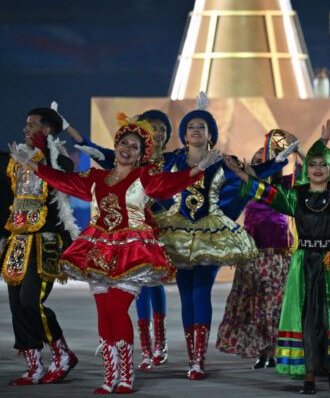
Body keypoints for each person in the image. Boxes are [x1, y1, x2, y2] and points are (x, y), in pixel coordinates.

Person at [11, 117, 218, 393]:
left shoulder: (144, 177)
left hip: (130, 252)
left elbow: (169, 183)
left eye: (134, 146)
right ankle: (109, 377)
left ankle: (125, 376)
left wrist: (197, 170)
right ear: (116, 146)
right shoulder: (96, 177)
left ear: (140, 155)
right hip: (98, 251)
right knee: (103, 314)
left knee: (116, 310)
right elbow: (65, 180)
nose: (127, 149)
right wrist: (34, 165)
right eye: (124, 143)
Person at [156, 106, 294, 380]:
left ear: (210, 134)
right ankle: (191, 356)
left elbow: (253, 170)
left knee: (201, 292)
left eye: (201, 126)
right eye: (191, 126)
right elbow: (150, 177)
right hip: (178, 233)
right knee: (185, 295)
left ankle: (199, 361)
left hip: (211, 236)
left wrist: (278, 162)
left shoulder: (222, 163)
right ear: (184, 134)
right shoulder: (172, 161)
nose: (196, 130)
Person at [228, 139, 330, 394]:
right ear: (306, 169)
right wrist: (241, 174)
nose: (316, 168)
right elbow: (268, 194)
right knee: (307, 320)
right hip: (305, 264)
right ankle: (309, 377)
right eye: (312, 163)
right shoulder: (295, 198)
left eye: (323, 164)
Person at [64, 106, 175, 369]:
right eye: (153, 127)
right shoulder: (125, 160)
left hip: (158, 228)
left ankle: (160, 344)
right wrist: (67, 126)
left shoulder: (172, 160)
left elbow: (180, 181)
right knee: (133, 294)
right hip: (123, 232)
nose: (157, 132)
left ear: (167, 135)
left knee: (153, 285)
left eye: (162, 129)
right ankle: (145, 350)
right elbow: (92, 148)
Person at [3, 107, 79, 386]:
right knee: (16, 304)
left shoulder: (59, 161)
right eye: (26, 125)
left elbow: (64, 173)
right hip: (18, 241)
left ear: (46, 130)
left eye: (32, 125)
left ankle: (62, 354)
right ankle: (33, 364)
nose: (25, 129)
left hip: (46, 242)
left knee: (30, 300)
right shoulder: (16, 159)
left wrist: (44, 151)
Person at [215, 130, 298, 370]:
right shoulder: (245, 187)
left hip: (279, 254)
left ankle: (273, 350)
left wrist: (295, 148)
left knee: (275, 305)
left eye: (267, 160)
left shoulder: (285, 184)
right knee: (256, 305)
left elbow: (307, 171)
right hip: (252, 254)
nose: (262, 164)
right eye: (257, 161)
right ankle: (263, 351)